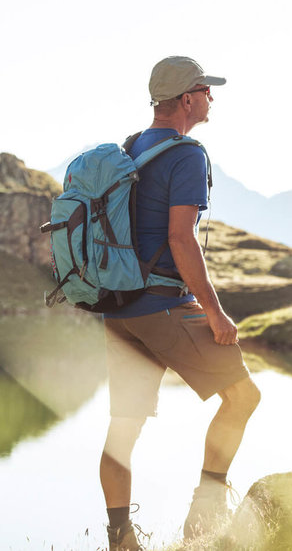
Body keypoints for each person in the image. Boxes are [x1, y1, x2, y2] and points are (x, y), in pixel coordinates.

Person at [100, 56, 261, 550]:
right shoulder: (187, 153)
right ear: (188, 98)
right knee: (243, 397)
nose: (213, 97)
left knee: (122, 427)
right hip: (162, 305)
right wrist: (214, 311)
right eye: (207, 90)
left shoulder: (130, 148)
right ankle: (204, 512)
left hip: (118, 308)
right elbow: (181, 238)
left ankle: (120, 536)